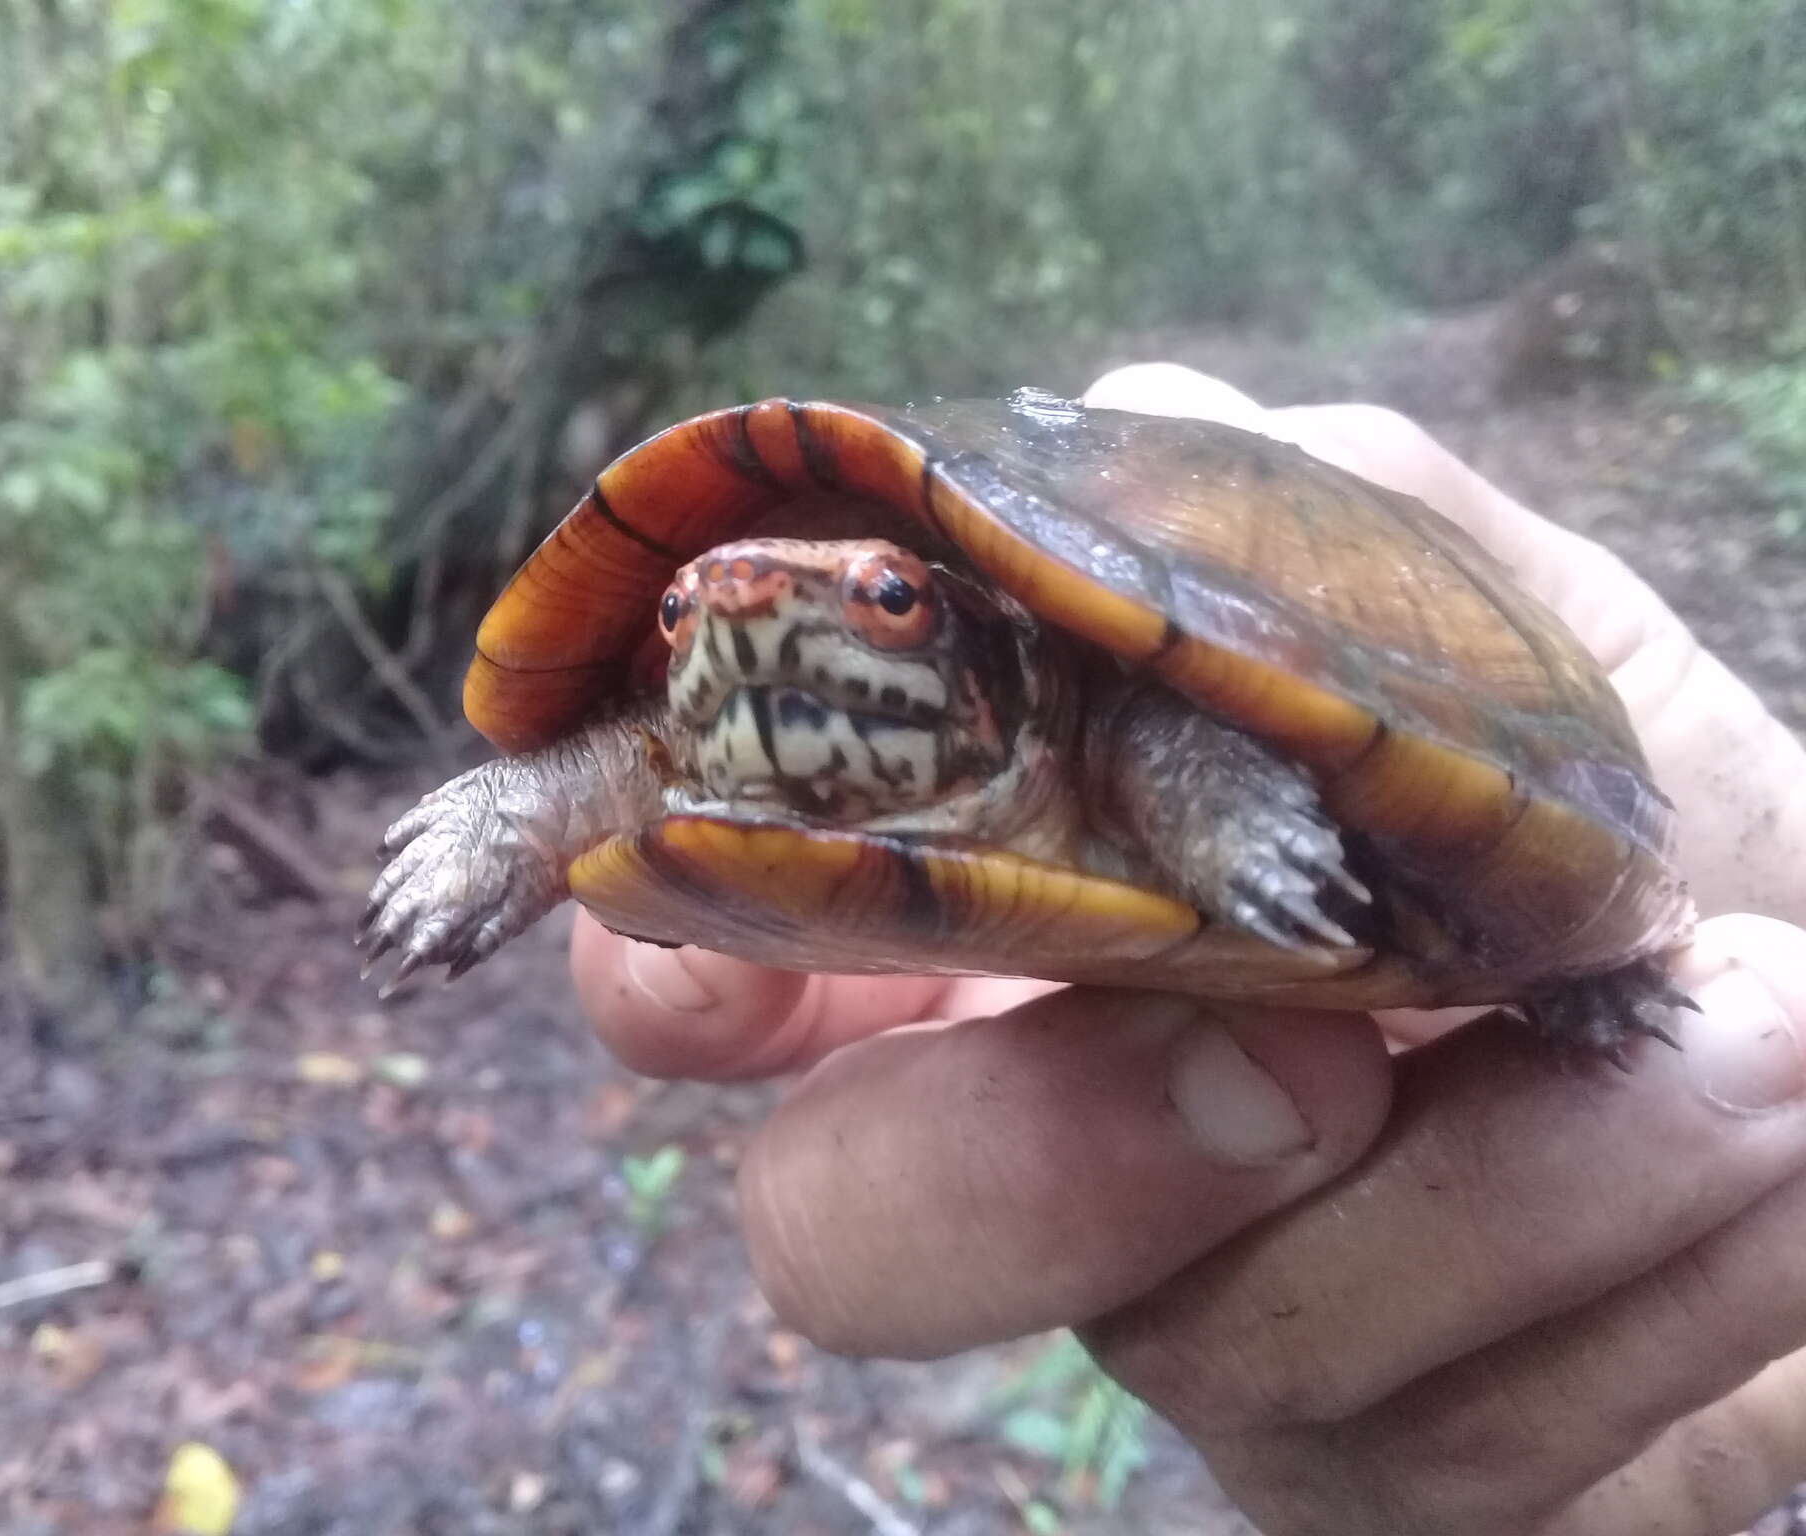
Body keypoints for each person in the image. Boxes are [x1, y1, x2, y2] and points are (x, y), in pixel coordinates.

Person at [566, 364, 1806, 1536]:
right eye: (683, 615)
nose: (745, 624)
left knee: (1546, 982)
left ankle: (1566, 975)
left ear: (986, 650)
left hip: (1404, 838)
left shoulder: (1114, 714)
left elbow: (1158, 711)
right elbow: (576, 774)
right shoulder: (671, 752)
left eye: (885, 607)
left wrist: (1266, 842)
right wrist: (494, 829)